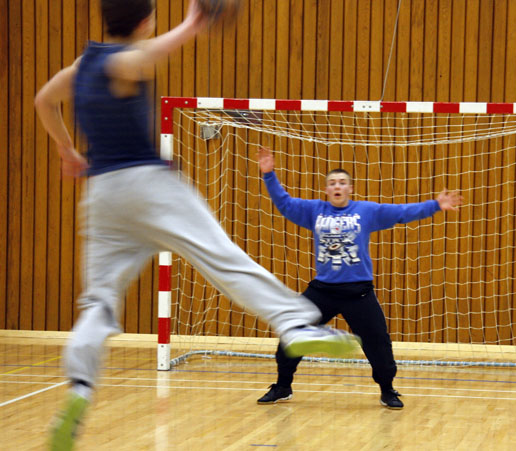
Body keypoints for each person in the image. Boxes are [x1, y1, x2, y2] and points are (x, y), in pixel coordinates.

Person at [34, 1, 359, 449]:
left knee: (98, 302)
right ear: (146, 21)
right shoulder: (125, 60)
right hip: (148, 185)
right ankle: (296, 325)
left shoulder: (80, 66)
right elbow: (144, 57)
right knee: (222, 256)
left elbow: (43, 101)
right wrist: (192, 22)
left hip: (102, 196)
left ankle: (78, 389)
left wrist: (67, 152)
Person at [255, 147, 463, 410]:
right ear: (327, 190)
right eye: (332, 183)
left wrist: (435, 205)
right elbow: (284, 203)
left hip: (359, 293)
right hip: (323, 292)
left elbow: (401, 212)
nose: (337, 186)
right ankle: (283, 386)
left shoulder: (367, 211)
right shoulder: (314, 211)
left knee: (378, 343)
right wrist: (269, 174)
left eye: (342, 182)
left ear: (350, 188)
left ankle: (387, 390)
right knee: (292, 332)